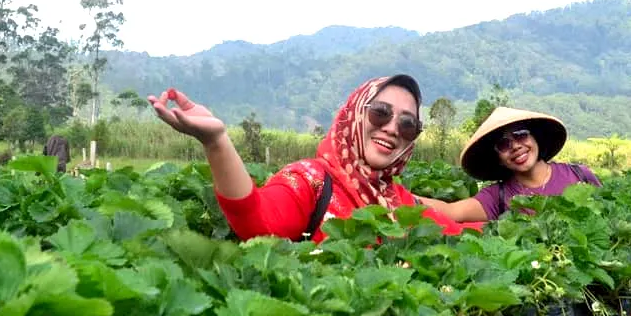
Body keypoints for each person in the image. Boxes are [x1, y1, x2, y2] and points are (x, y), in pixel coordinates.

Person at [148, 74, 477, 242]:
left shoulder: (398, 202)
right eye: (380, 113)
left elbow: (461, 237)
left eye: (407, 123)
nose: (392, 129)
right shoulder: (312, 180)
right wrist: (217, 142)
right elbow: (258, 224)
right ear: (353, 114)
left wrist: (525, 216)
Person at [416, 106, 601, 222]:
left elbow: (607, 215)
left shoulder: (579, 175)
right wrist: (397, 197)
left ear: (535, 136)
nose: (515, 146)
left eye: (521, 134)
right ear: (497, 158)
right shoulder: (498, 196)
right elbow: (453, 211)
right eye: (503, 144)